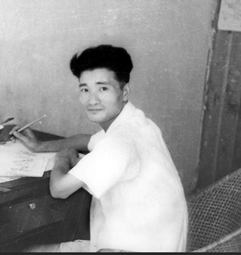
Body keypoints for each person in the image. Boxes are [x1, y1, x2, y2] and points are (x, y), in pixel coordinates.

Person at [11, 44, 188, 252]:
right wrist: (41, 146)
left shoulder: (119, 142)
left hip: (132, 250)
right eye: (85, 89)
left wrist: (62, 160)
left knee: (24, 250)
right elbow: (87, 140)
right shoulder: (136, 122)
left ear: (124, 92)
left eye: (103, 88)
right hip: (155, 244)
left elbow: (59, 190)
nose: (92, 100)